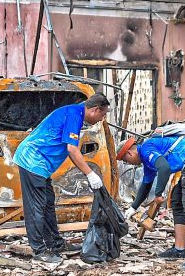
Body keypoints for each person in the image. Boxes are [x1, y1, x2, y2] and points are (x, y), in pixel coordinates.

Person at [12, 93, 111, 264]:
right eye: (103, 115)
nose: (102, 119)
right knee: (36, 206)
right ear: (95, 110)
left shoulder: (75, 114)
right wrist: (90, 173)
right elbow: (72, 149)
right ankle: (39, 250)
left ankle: (55, 243)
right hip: (32, 160)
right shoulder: (74, 115)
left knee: (48, 203)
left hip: (40, 163)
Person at [117, 132, 185, 271]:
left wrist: (158, 194)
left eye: (126, 161)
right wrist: (133, 208)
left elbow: (164, 168)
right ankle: (179, 249)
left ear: (129, 153)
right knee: (177, 201)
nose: (128, 163)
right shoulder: (148, 162)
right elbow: (146, 185)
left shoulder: (146, 149)